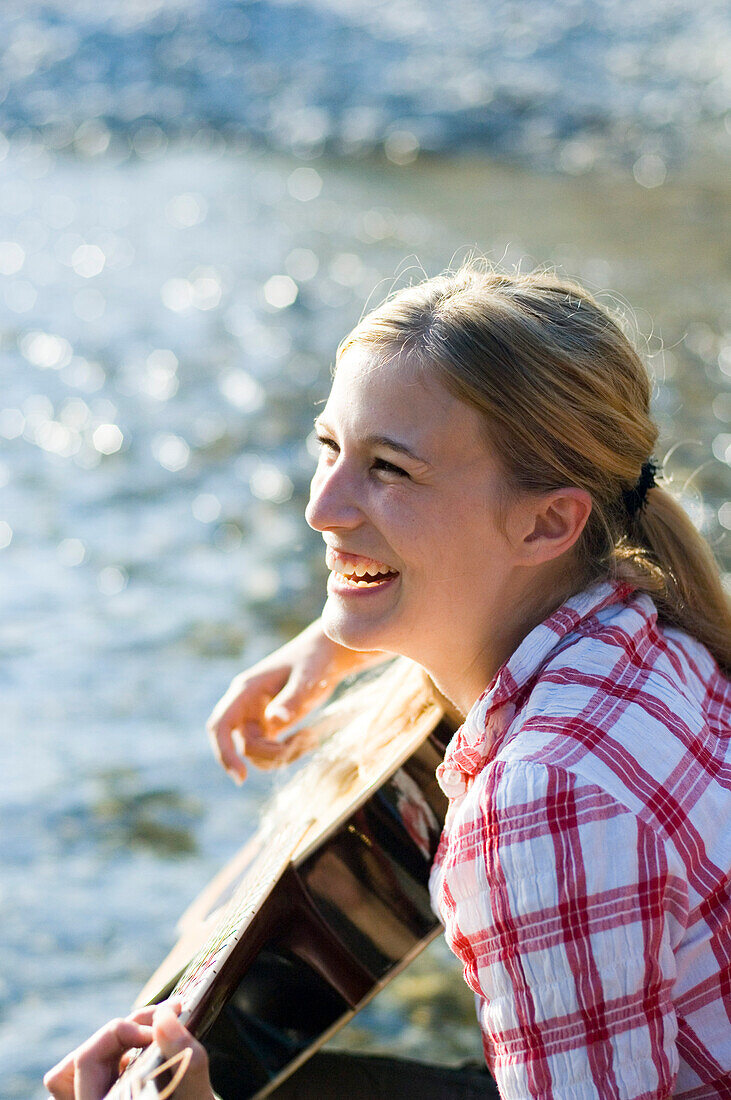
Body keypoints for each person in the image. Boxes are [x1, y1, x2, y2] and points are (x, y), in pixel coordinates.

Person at [46, 266, 731, 1099]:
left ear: (548, 521)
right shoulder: (648, 623)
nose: (321, 508)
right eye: (328, 448)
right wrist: (338, 639)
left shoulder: (541, 804)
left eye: (389, 470)